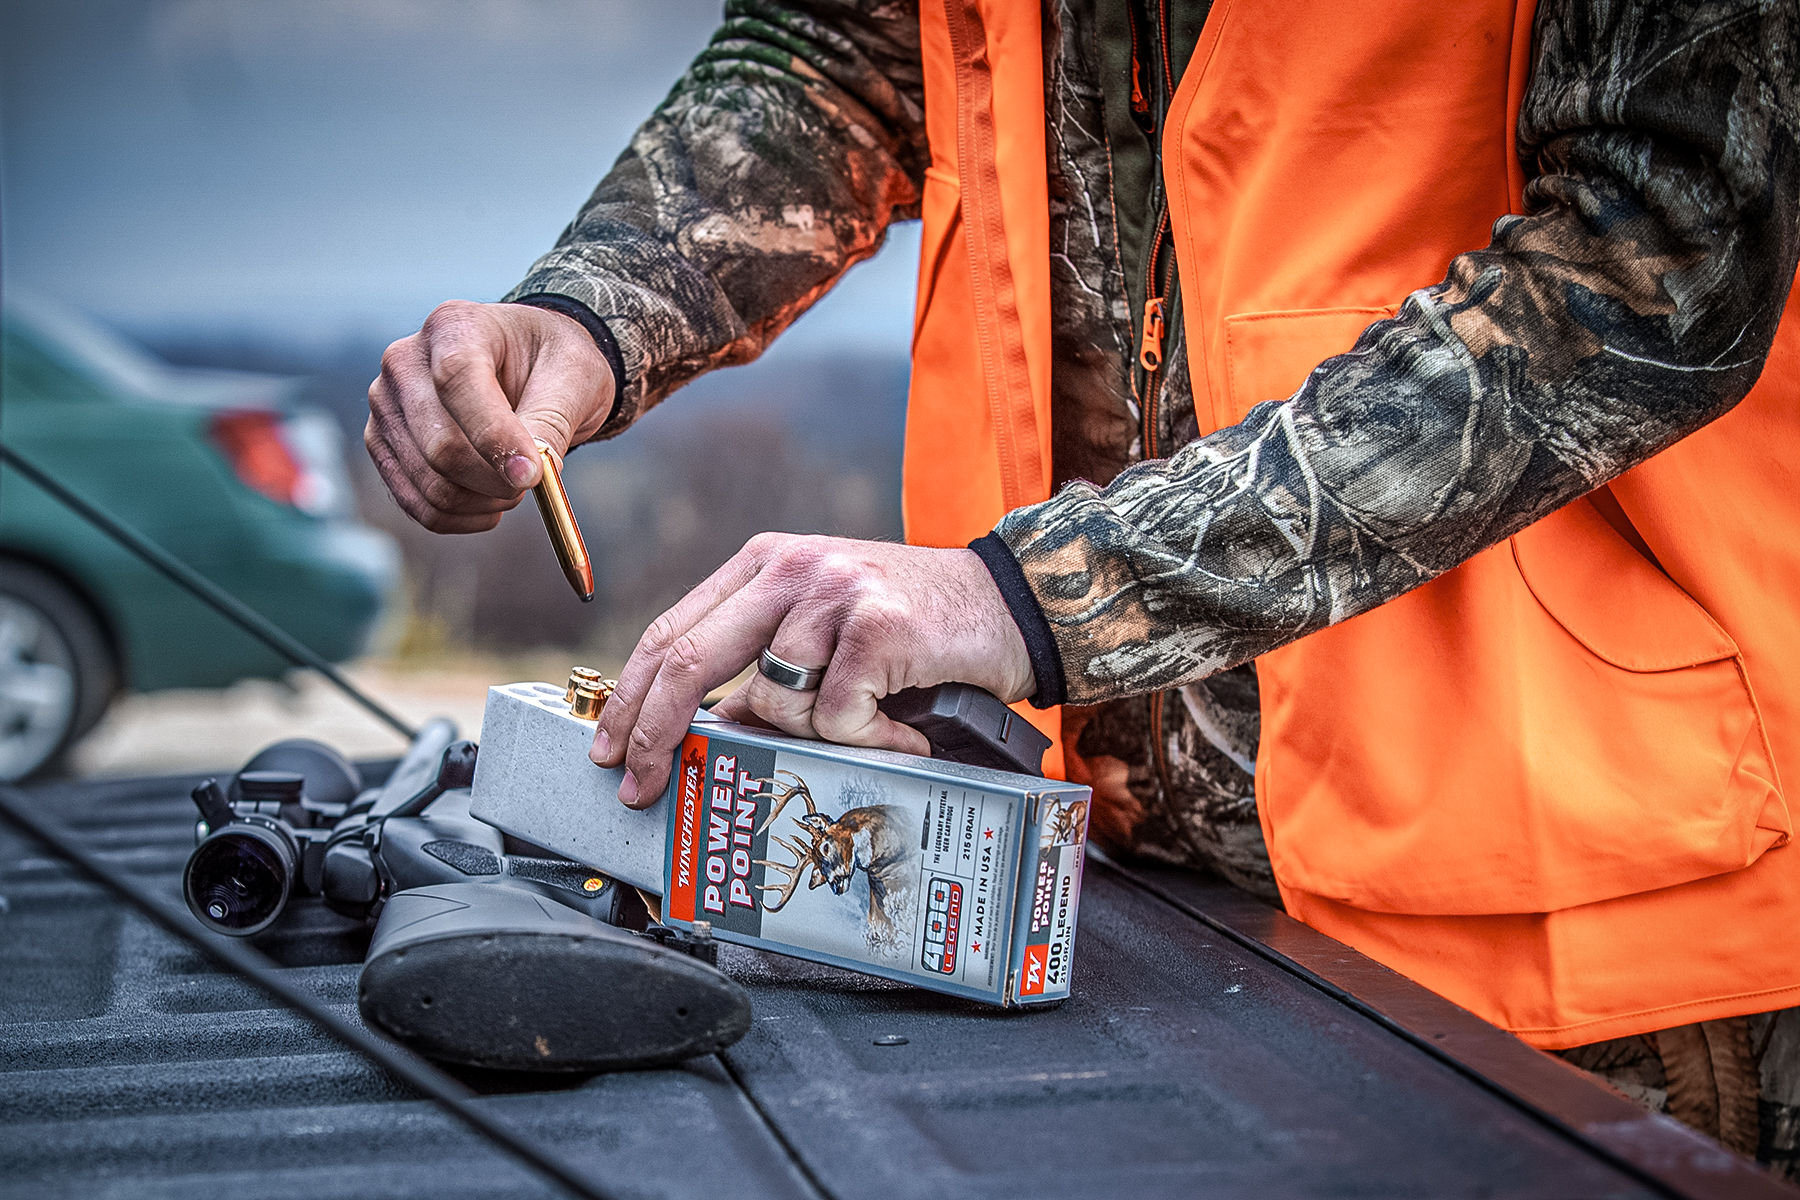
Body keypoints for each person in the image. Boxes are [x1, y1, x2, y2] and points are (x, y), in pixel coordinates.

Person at [366, 0, 1800, 1170]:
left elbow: (1657, 255)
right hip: (1115, 905)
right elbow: (846, 52)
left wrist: (1031, 597)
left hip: (1600, 946)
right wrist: (590, 313)